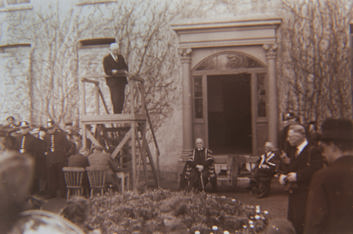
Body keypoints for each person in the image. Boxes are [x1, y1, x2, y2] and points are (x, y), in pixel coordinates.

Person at [304, 118, 353, 234]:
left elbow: (314, 224)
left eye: (323, 148)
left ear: (333, 146)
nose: (322, 154)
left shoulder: (323, 177)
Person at [278, 124, 323, 234]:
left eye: (290, 136)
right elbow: (291, 166)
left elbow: (316, 168)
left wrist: (298, 176)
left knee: (302, 223)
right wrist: (283, 176)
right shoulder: (294, 151)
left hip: (307, 193)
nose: (288, 139)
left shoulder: (313, 150)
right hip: (294, 193)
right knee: (293, 223)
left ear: (300, 136)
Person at [15, 121, 45, 194]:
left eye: (25, 128)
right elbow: (15, 149)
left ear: (28, 129)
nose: (23, 130)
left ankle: (31, 193)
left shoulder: (32, 139)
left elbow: (35, 152)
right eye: (22, 128)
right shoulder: (17, 138)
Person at [43, 119, 71, 198]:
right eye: (48, 129)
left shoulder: (61, 135)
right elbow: (44, 147)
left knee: (61, 176)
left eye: (51, 128)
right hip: (50, 158)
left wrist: (63, 153)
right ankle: (52, 193)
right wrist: (46, 152)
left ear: (55, 127)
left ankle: (62, 194)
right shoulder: (46, 136)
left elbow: (68, 146)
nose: (50, 130)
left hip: (60, 158)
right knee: (51, 176)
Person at [103, 43, 129, 114]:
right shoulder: (106, 59)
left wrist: (119, 71)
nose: (116, 51)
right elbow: (107, 70)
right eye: (114, 50)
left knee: (121, 99)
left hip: (121, 82)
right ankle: (116, 114)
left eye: (117, 50)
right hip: (113, 83)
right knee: (115, 99)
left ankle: (119, 113)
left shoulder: (120, 57)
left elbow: (125, 68)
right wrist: (112, 72)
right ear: (110, 50)